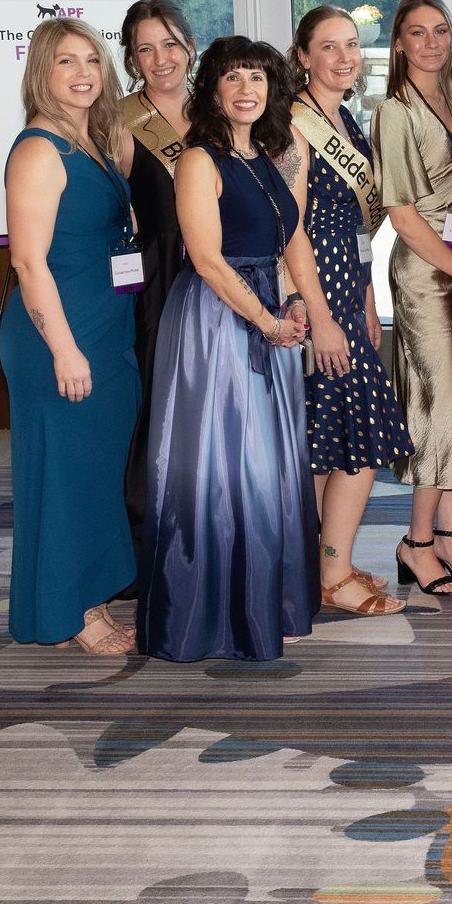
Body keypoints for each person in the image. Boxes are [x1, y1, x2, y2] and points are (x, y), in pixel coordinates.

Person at [138, 37, 324, 662]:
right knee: (223, 466)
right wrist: (269, 322)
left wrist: (295, 305)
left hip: (265, 310)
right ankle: (214, 615)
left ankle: (264, 602)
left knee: (264, 465)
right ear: (212, 88)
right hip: (217, 322)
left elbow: (290, 241)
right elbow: (208, 262)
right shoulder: (200, 159)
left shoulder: (263, 156)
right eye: (233, 78)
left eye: (257, 78)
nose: (247, 89)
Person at [0, 19, 140, 655]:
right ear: (41, 73)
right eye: (66, 63)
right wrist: (63, 348)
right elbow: (28, 263)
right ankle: (73, 610)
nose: (83, 72)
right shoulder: (38, 150)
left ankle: (84, 594)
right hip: (61, 334)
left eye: (92, 60)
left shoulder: (92, 142)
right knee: (65, 473)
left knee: (93, 471)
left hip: (104, 330)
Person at [288, 5, 414, 616]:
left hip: (347, 288)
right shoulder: (293, 124)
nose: (343, 57)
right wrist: (320, 314)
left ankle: (319, 564)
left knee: (327, 440)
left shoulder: (345, 118)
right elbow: (290, 230)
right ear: (303, 56)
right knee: (356, 440)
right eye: (329, 47)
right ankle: (332, 573)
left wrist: (366, 301)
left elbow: (359, 229)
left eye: (351, 46)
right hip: (316, 295)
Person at [371, 0, 452, 597]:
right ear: (400, 42)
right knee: (442, 406)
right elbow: (402, 216)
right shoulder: (394, 111)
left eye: (440, 31)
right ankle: (417, 541)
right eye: (417, 32)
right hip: (426, 271)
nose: (431, 42)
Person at [118, 0, 196, 552]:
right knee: (157, 400)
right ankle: (148, 537)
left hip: (221, 274)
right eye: (145, 49)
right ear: (131, 59)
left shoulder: (220, 108)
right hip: (158, 276)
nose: (160, 58)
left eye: (169, 44)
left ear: (190, 47)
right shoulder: (120, 121)